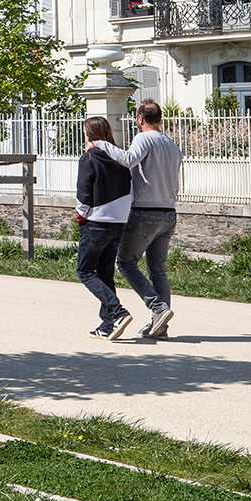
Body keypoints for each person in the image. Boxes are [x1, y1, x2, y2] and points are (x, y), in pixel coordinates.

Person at [90, 99, 183, 339]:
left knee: (125, 263)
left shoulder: (144, 138)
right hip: (168, 212)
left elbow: (129, 159)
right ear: (159, 118)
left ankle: (158, 307)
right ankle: (160, 326)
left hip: (144, 212)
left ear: (140, 119)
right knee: (158, 270)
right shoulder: (171, 144)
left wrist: (101, 144)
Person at [75, 117, 135, 340]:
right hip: (118, 223)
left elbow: (84, 192)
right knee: (105, 273)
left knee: (85, 271)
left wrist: (81, 215)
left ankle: (118, 312)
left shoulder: (89, 158)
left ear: (89, 135)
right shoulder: (120, 159)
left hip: (95, 223)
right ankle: (108, 324)